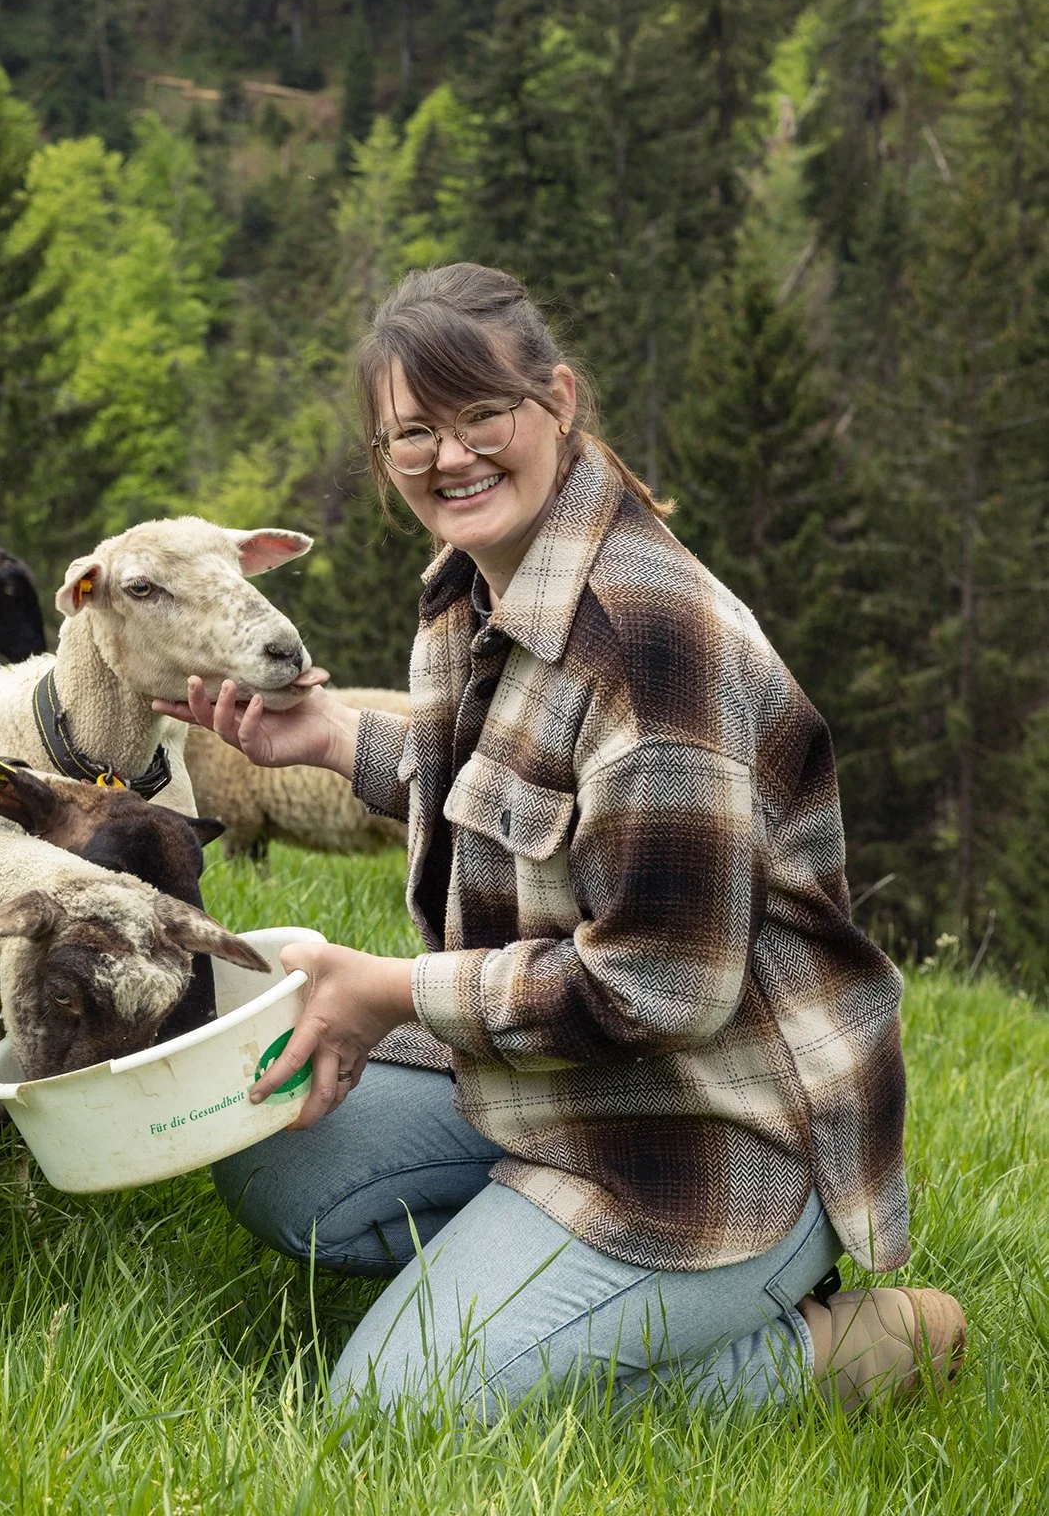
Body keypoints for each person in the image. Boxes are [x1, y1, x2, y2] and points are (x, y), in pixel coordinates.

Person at [162, 263, 963, 1419]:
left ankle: (839, 1344)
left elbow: (661, 987)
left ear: (559, 400)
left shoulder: (652, 645)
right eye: (413, 432)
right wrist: (336, 738)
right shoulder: (472, 584)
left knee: (393, 1411)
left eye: (484, 415)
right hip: (559, 1091)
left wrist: (390, 991)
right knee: (270, 1141)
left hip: (711, 1140)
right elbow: (522, 801)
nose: (451, 456)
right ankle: (539, 1282)